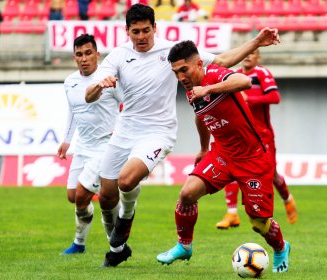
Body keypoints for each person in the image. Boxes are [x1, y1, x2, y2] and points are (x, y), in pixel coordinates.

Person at [85, 3, 280, 267]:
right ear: (126, 31)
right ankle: (118, 246)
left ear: (155, 27)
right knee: (107, 195)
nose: (141, 37)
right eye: (135, 32)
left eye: (145, 31)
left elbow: (223, 61)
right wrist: (99, 85)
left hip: (158, 131)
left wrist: (256, 41)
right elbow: (90, 95)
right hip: (125, 130)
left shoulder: (174, 55)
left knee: (127, 180)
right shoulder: (118, 56)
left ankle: (127, 220)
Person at [156, 40, 290, 273]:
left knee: (259, 224)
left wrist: (207, 89)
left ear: (198, 64)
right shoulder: (191, 91)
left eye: (184, 70)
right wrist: (204, 148)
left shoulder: (215, 74)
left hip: (252, 158)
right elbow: (201, 116)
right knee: (187, 194)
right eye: (176, 73)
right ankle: (184, 245)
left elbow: (244, 81)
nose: (181, 77)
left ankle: (280, 248)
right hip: (222, 153)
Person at [215, 49, 298, 229]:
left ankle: (288, 199)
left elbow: (275, 97)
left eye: (252, 54)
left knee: (272, 175)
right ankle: (231, 213)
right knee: (232, 170)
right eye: (245, 53)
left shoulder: (261, 72)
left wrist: (249, 99)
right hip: (243, 134)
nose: (247, 56)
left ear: (257, 57)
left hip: (263, 135)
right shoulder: (235, 76)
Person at [58, 34, 123, 254]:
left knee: (81, 196)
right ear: (74, 58)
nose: (84, 58)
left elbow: (129, 105)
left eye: (88, 53)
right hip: (82, 147)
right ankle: (112, 202)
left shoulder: (109, 80)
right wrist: (66, 141)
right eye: (79, 54)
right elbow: (73, 111)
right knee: (72, 197)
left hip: (105, 147)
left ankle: (82, 243)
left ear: (97, 54)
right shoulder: (70, 82)